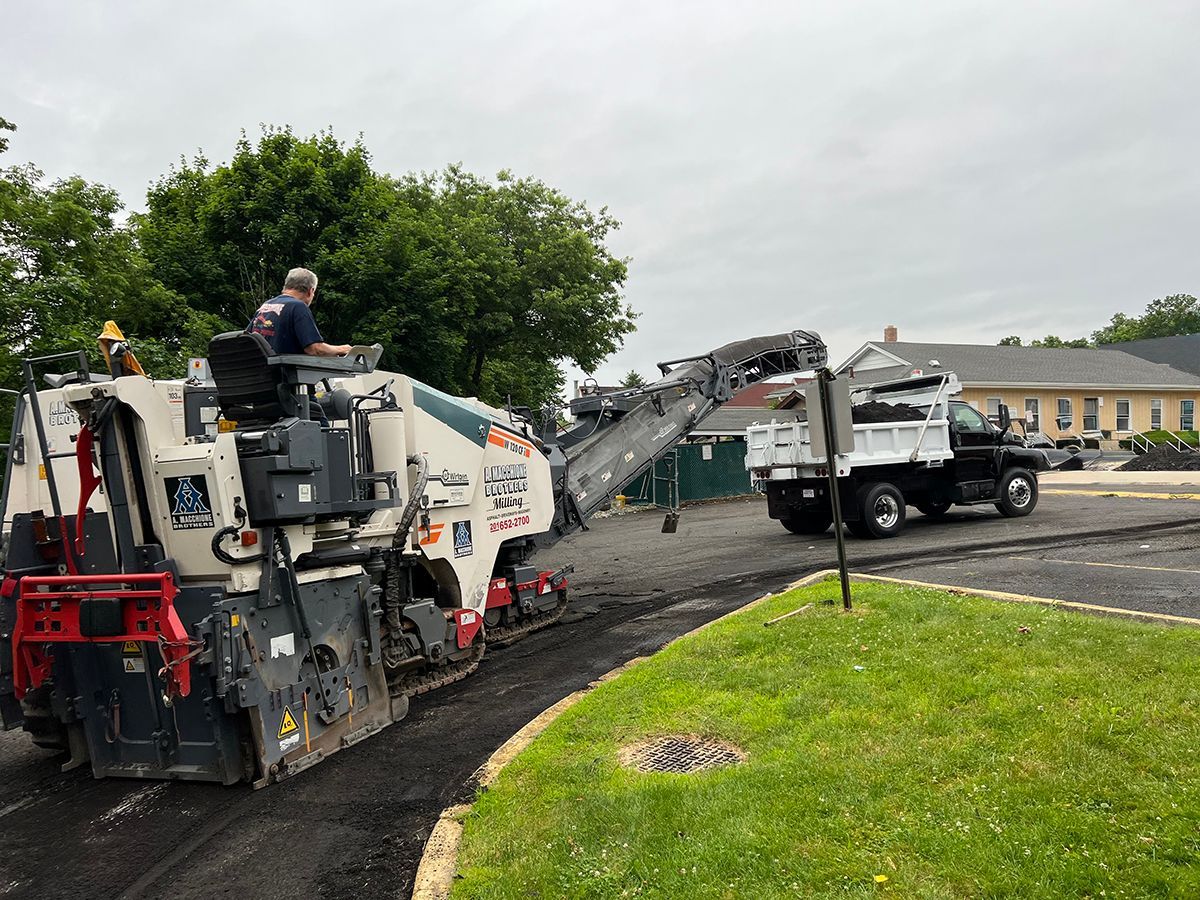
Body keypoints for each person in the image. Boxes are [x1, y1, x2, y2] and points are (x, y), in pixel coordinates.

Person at [247, 268, 352, 356]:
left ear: (287, 285)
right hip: (283, 375)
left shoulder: (265, 306)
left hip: (258, 374)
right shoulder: (298, 307)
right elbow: (315, 349)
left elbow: (245, 340)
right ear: (310, 291)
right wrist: (343, 349)